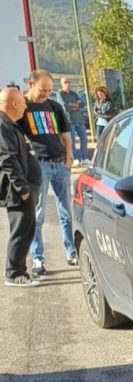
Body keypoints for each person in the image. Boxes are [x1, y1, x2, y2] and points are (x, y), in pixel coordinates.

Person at [19, 70, 77, 275]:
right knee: (38, 214)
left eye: (50, 90)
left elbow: (66, 137)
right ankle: (37, 258)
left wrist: (69, 160)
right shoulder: (22, 108)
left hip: (61, 164)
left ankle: (72, 252)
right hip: (38, 166)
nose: (46, 94)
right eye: (43, 90)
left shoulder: (55, 106)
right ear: (30, 84)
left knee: (66, 213)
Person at [0, 88, 42, 287]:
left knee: (27, 230)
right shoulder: (2, 125)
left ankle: (21, 271)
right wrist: (24, 190)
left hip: (25, 189)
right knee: (21, 231)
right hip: (17, 192)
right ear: (14, 104)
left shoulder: (10, 124)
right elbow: (8, 160)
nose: (26, 106)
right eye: (23, 103)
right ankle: (13, 273)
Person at [57, 77, 89, 165]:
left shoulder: (74, 93)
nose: (67, 84)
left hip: (79, 120)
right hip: (69, 121)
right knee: (72, 141)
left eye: (69, 82)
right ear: (61, 84)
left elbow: (82, 104)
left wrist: (72, 105)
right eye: (65, 82)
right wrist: (76, 105)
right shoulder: (60, 94)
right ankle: (75, 158)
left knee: (84, 138)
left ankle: (85, 158)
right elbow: (65, 107)